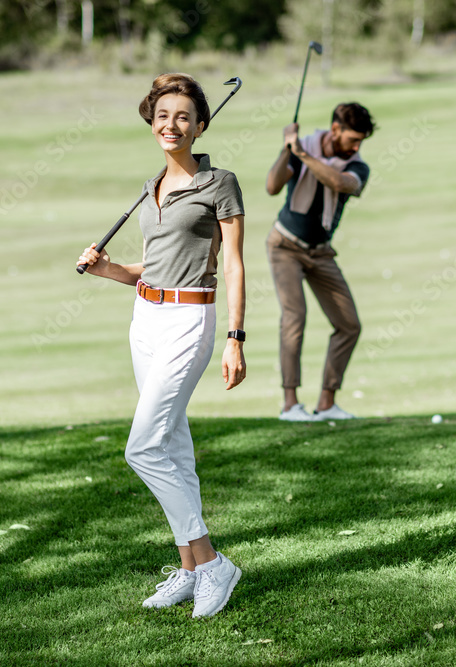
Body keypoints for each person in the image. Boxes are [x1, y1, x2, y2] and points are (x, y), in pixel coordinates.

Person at [77, 73, 245, 618]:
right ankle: (191, 569)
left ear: (200, 125)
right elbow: (150, 267)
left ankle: (214, 562)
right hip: (145, 317)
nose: (171, 125)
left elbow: (235, 264)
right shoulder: (150, 189)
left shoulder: (220, 184)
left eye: (183, 117)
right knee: (171, 444)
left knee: (142, 448)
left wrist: (235, 337)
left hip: (189, 320)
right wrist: (108, 271)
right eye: (163, 116)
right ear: (152, 123)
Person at [264, 102, 376, 422]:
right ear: (335, 128)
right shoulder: (302, 151)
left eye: (361, 141)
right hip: (285, 246)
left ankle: (326, 402)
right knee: (294, 317)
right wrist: (287, 149)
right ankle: (290, 406)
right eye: (353, 139)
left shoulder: (357, 166)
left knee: (349, 325)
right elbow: (272, 187)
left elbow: (341, 183)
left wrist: (302, 154)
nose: (357, 147)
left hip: (321, 251)